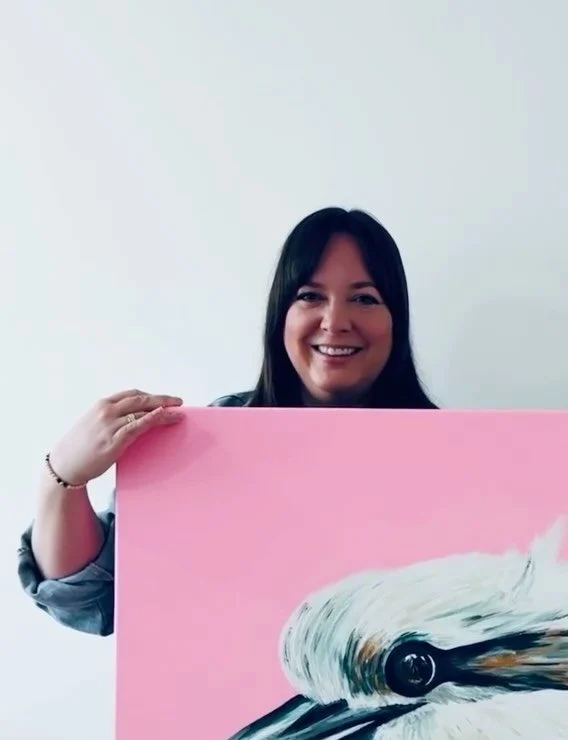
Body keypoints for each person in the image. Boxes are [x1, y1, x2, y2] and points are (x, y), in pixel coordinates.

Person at [17, 206, 437, 637]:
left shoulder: (450, 456)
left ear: (396, 319)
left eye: (365, 298)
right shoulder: (213, 442)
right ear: (281, 316)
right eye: (310, 296)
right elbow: (96, 600)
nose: (335, 322)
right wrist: (62, 476)